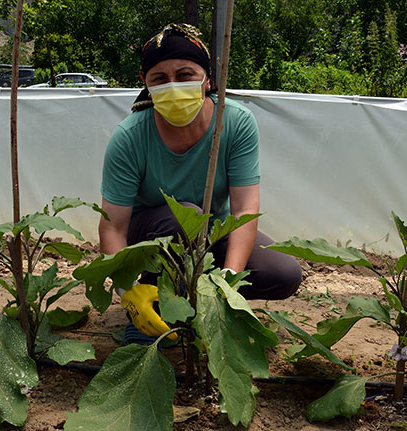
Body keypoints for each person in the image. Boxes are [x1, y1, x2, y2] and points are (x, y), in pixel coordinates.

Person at [98, 23, 302, 341]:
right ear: (145, 84)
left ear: (207, 78)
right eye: (160, 79)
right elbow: (112, 227)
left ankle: (196, 303)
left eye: (184, 75)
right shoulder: (130, 137)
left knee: (283, 273)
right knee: (186, 218)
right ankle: (152, 300)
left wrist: (229, 281)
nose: (173, 87)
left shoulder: (234, 123)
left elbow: (245, 208)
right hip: (150, 233)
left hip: (211, 229)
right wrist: (128, 292)